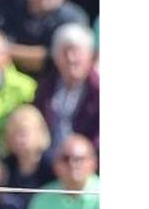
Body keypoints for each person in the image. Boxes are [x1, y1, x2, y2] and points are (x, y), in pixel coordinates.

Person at [2, 0, 89, 76]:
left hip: (52, 87)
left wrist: (6, 51)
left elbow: (53, 59)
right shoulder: (12, 10)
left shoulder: (73, 19)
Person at [31, 23, 99, 155]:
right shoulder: (46, 87)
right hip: (48, 157)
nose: (71, 58)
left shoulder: (99, 90)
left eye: (77, 52)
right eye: (65, 52)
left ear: (90, 56)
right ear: (56, 58)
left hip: (86, 160)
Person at [1, 104, 57, 208]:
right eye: (13, 133)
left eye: (23, 133)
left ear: (39, 132)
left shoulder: (53, 167)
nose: (18, 139)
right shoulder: (5, 167)